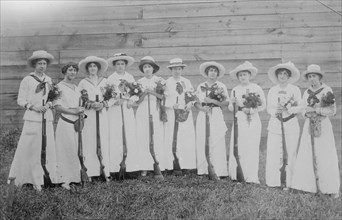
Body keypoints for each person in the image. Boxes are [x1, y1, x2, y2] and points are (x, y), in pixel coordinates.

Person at [8, 50, 57, 191]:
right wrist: (34, 107)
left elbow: (52, 98)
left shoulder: (48, 80)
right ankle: (26, 178)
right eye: (39, 63)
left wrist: (48, 105)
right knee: (30, 148)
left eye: (44, 63)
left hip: (46, 118)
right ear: (34, 64)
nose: (42, 66)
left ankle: (46, 178)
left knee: (47, 147)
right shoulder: (27, 80)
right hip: (32, 118)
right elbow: (20, 100)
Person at [291, 64, 340, 198]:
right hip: (309, 125)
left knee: (325, 155)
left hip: (323, 125)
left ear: (319, 77)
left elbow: (332, 110)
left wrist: (316, 111)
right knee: (307, 153)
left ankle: (329, 188)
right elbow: (302, 108)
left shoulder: (326, 90)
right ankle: (307, 186)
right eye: (310, 76)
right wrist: (306, 114)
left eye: (314, 76)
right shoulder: (306, 92)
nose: (312, 79)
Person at [265, 61, 302, 189]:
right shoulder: (273, 90)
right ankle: (273, 181)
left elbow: (300, 107)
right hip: (276, 123)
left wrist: (289, 108)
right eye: (280, 73)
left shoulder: (295, 89)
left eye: (285, 73)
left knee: (291, 152)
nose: (282, 76)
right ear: (277, 75)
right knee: (274, 151)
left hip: (291, 123)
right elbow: (269, 107)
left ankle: (290, 182)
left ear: (289, 76)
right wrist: (276, 112)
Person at [228, 61, 266, 184]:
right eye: (240, 75)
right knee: (239, 145)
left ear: (249, 75)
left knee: (252, 145)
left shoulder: (256, 88)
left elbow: (263, 105)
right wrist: (232, 103)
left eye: (245, 74)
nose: (243, 77)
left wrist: (251, 110)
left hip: (253, 118)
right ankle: (237, 175)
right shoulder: (235, 89)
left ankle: (251, 176)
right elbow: (230, 108)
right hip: (239, 118)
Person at [106, 53, 140, 177]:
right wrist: (115, 101)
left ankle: (130, 168)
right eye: (118, 64)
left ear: (125, 65)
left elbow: (136, 92)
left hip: (127, 107)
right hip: (115, 109)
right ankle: (115, 169)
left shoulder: (130, 77)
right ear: (114, 66)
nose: (120, 66)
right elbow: (108, 95)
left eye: (122, 64)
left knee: (129, 134)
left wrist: (131, 101)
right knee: (116, 136)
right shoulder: (110, 78)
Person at [78, 56, 110, 181]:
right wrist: (90, 104)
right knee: (89, 140)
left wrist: (103, 104)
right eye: (90, 66)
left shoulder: (105, 81)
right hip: (90, 115)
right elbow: (79, 99)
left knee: (103, 139)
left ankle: (104, 171)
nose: (92, 68)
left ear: (98, 68)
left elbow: (111, 97)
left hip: (102, 114)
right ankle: (90, 172)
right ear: (87, 69)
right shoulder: (83, 82)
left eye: (94, 66)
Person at [195, 61, 229, 178]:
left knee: (217, 138)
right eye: (211, 71)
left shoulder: (221, 86)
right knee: (202, 138)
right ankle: (203, 169)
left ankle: (219, 169)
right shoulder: (200, 86)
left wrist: (213, 101)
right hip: (203, 113)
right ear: (207, 72)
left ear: (217, 73)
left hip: (216, 113)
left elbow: (226, 103)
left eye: (215, 71)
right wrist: (202, 108)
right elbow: (196, 102)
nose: (212, 73)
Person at [54, 63, 85, 190]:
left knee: (75, 149)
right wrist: (74, 111)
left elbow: (80, 105)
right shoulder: (58, 87)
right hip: (65, 121)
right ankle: (63, 179)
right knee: (64, 149)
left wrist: (81, 113)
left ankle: (75, 177)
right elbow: (57, 107)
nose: (72, 73)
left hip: (77, 123)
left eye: (74, 71)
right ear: (65, 72)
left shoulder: (76, 88)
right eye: (70, 70)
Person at [163, 58, 197, 174]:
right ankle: (171, 165)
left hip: (185, 113)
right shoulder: (166, 83)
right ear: (171, 70)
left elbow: (192, 96)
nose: (176, 71)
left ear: (182, 69)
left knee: (185, 137)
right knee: (172, 137)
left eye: (179, 69)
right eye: (174, 69)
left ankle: (186, 165)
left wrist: (190, 103)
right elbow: (163, 100)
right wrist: (172, 105)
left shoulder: (186, 82)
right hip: (172, 113)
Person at [135, 56, 166, 175]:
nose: (147, 69)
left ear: (153, 68)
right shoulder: (138, 82)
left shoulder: (160, 80)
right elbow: (137, 101)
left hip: (155, 108)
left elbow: (163, 96)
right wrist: (144, 93)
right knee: (143, 136)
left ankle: (158, 164)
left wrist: (151, 91)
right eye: (145, 67)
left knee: (156, 136)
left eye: (149, 67)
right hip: (143, 109)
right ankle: (144, 166)